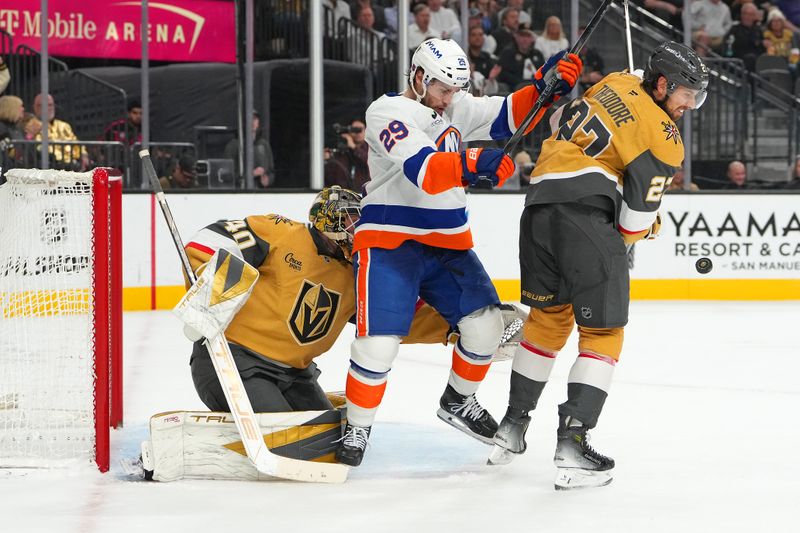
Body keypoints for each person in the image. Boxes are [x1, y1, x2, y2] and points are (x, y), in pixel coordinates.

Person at [334, 38, 582, 467]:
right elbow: (425, 171)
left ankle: (458, 401)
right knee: (377, 345)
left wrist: (545, 87)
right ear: (418, 78)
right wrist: (473, 163)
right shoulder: (387, 112)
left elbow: (506, 115)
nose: (451, 98)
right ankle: (357, 425)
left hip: (447, 243)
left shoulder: (455, 106)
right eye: (443, 89)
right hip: (392, 241)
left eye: (455, 90)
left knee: (486, 328)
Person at [489, 42, 708, 490]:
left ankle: (510, 429)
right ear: (663, 84)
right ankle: (573, 441)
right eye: (688, 93)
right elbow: (631, 225)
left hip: (537, 209)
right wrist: (643, 230)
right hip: (585, 217)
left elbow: (557, 120)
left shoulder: (615, 81)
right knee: (604, 332)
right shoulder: (665, 139)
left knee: (546, 324)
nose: (690, 105)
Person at [183, 186, 526, 414]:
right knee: (286, 436)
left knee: (325, 437)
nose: (356, 227)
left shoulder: (359, 271)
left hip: (296, 374)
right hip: (232, 362)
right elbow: (211, 239)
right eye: (349, 218)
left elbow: (401, 317)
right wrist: (210, 287)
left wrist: (468, 327)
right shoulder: (281, 232)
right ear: (326, 217)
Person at [32, 93, 87, 170]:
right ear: (35, 108)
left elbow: (76, 144)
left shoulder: (64, 126)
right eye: (43, 105)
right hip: (51, 166)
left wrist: (83, 155)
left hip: (73, 165)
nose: (48, 108)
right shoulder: (31, 126)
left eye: (50, 105)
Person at [224, 110, 275, 188]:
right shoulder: (233, 145)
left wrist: (267, 179)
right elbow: (226, 175)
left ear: (258, 123)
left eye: (255, 119)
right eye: (249, 118)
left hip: (260, 193)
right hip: (240, 192)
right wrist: (250, 174)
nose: (252, 122)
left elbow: (271, 171)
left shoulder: (264, 145)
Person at [324, 118, 371, 191]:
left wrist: (354, 147)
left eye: (360, 129)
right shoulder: (342, 150)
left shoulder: (370, 148)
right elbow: (332, 175)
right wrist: (328, 160)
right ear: (349, 131)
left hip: (362, 193)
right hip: (343, 193)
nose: (357, 133)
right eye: (354, 130)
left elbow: (368, 161)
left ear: (366, 131)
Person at [724, 3, 765, 69]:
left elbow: (761, 47)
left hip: (757, 62)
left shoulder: (758, 30)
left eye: (750, 14)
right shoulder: (734, 29)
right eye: (745, 14)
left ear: (754, 16)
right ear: (741, 15)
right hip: (738, 63)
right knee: (751, 58)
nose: (747, 17)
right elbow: (728, 49)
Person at [0, 95, 25, 180]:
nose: (23, 109)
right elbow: (10, 152)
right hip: (8, 175)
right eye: (20, 106)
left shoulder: (17, 128)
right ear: (11, 108)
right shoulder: (2, 128)